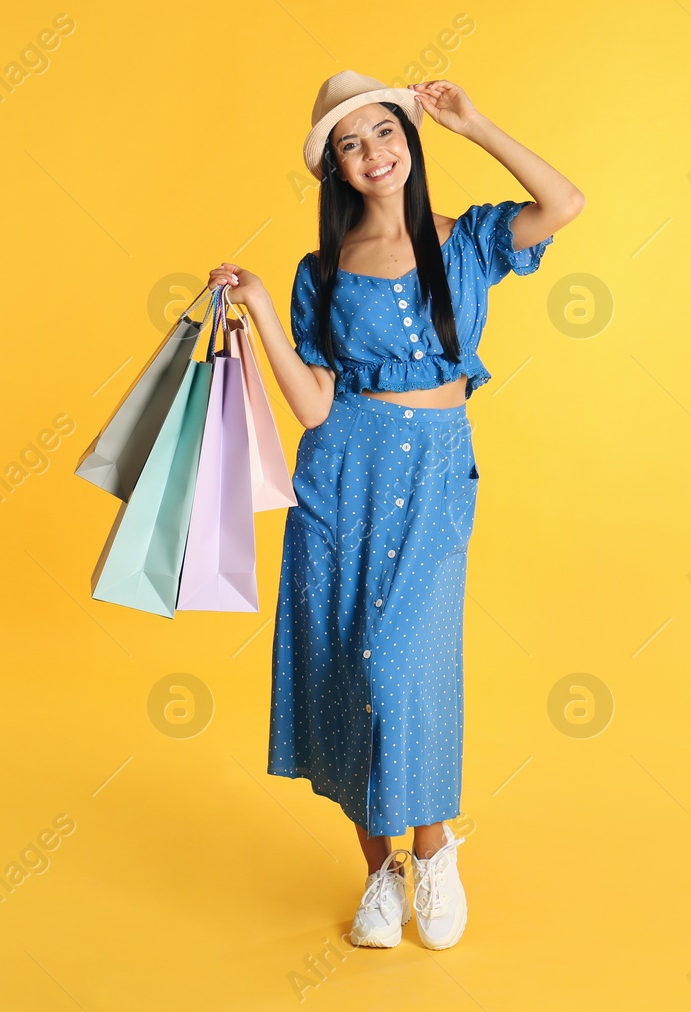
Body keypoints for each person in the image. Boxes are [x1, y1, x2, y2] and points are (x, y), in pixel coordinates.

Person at [207, 70, 583, 950]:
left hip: (434, 475)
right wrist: (261, 308)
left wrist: (475, 123)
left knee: (399, 669)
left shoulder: (468, 242)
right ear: (333, 169)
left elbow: (563, 202)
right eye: (351, 143)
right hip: (339, 474)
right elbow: (310, 405)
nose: (374, 152)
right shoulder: (321, 274)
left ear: (409, 144)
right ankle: (379, 869)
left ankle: (434, 845)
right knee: (342, 666)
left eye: (385, 133)